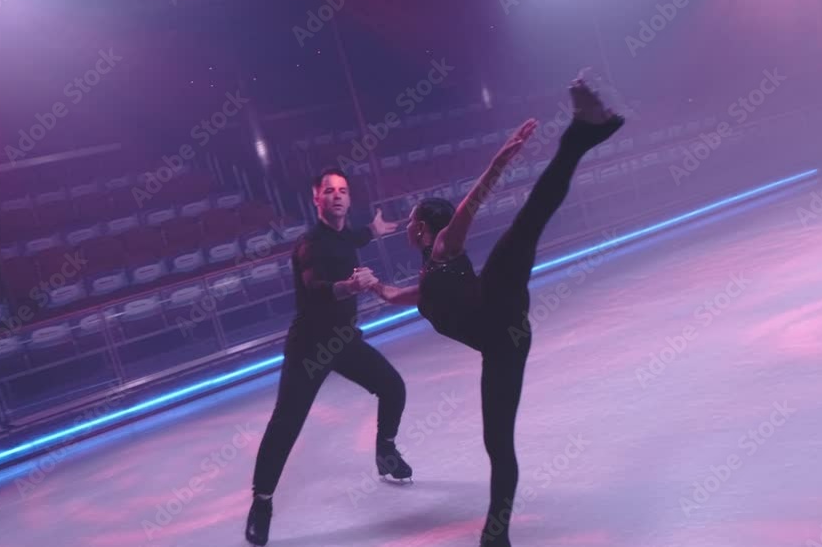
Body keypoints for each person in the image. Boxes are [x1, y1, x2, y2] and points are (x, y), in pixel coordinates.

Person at [372, 75, 624, 546]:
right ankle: (497, 533)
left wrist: (498, 161)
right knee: (497, 445)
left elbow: (470, 204)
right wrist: (372, 285)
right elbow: (396, 296)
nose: (406, 227)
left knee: (527, 222)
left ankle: (582, 133)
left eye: (409, 222)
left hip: (498, 302)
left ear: (424, 228)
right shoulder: (426, 280)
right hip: (503, 343)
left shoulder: (445, 245)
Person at [246, 169, 413, 546]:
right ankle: (262, 503)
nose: (337, 196)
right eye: (329, 191)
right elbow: (316, 288)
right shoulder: (309, 245)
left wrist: (373, 231)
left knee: (393, 388)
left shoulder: (341, 236)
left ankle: (385, 451)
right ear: (316, 198)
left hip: (342, 341)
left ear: (348, 199)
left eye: (343, 191)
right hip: (308, 347)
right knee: (286, 423)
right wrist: (350, 286)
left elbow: (350, 238)